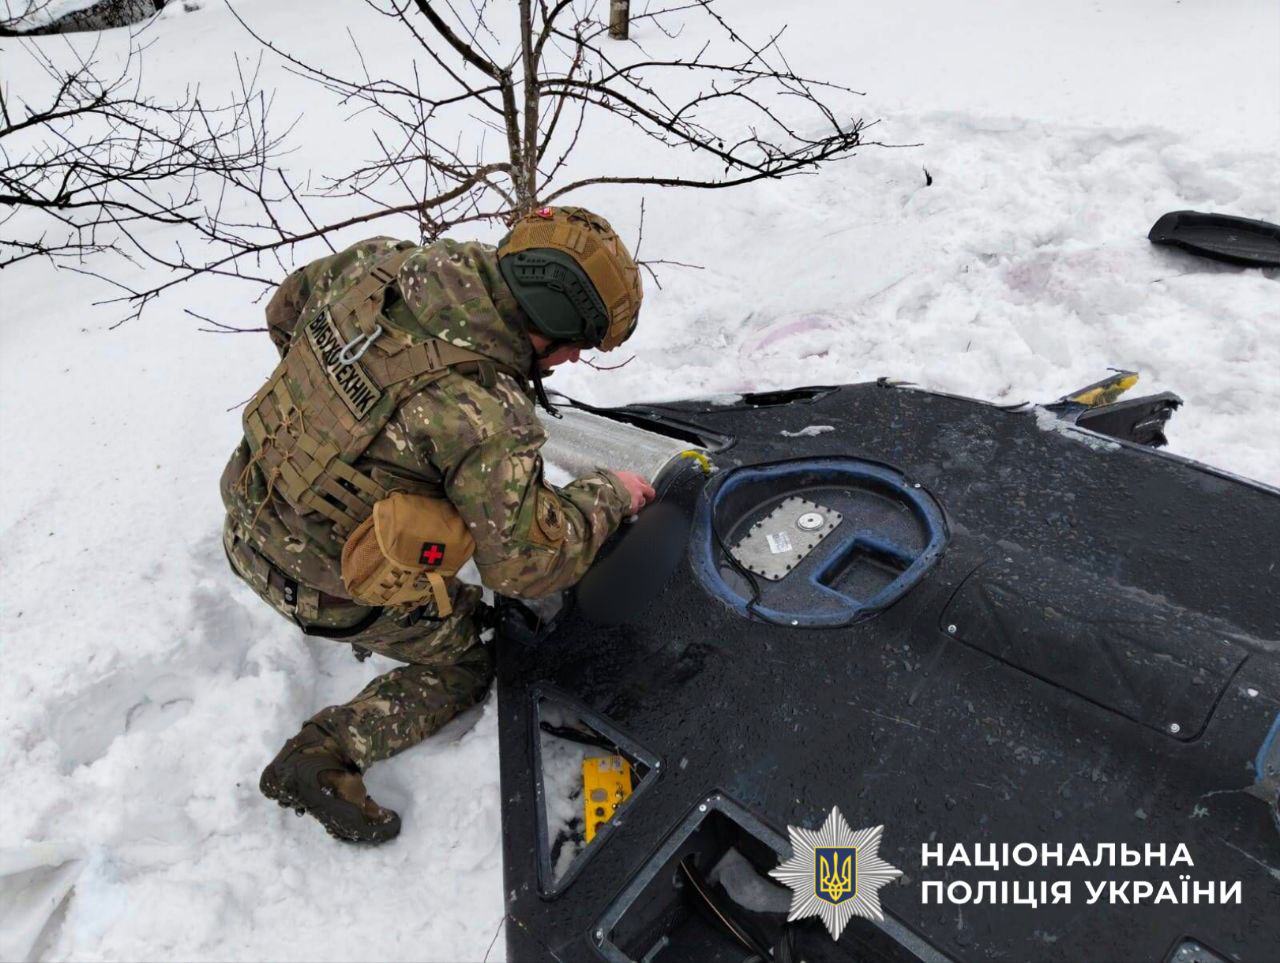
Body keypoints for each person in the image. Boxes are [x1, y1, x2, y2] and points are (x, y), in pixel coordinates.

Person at [219, 205, 655, 843]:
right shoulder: (485, 413)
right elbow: (525, 564)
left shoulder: (379, 266)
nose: (569, 364)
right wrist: (608, 496)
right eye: (574, 350)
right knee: (474, 654)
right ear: (551, 336)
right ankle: (321, 752)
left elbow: (285, 312)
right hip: (314, 580)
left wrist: (346, 426)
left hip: (248, 509)